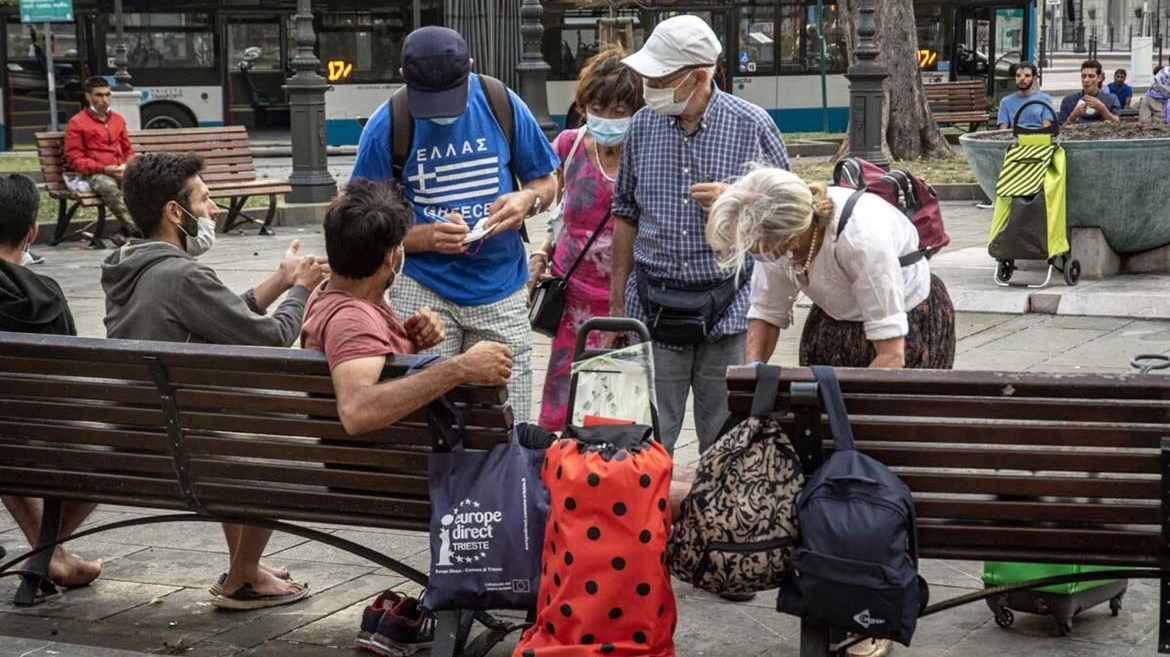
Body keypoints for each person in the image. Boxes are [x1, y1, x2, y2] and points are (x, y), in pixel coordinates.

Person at [101, 152, 327, 610]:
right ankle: (243, 576)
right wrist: (303, 288)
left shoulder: (129, 265)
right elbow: (270, 339)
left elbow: (224, 315)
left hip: (139, 438)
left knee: (226, 427)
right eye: (205, 200)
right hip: (184, 450)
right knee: (280, 444)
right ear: (173, 211)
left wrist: (282, 280)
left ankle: (246, 563)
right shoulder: (183, 275)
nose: (214, 210)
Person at [351, 26, 558, 424]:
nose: (443, 113)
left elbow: (548, 181)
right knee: (428, 423)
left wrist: (527, 200)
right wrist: (424, 237)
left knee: (506, 423)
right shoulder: (387, 124)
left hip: (500, 288)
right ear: (403, 77)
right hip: (423, 292)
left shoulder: (502, 103)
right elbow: (360, 229)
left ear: (471, 71)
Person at [612, 15, 790, 455]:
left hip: (727, 310)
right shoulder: (642, 125)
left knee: (725, 441)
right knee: (644, 441)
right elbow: (625, 215)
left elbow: (790, 216)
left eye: (659, 77)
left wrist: (739, 198)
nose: (649, 85)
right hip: (652, 308)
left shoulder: (753, 125)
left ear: (697, 76)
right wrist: (617, 305)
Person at [301, 178, 514, 435]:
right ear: (391, 256)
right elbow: (356, 410)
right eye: (401, 245)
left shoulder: (328, 294)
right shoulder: (351, 320)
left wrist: (407, 341)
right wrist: (460, 368)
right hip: (396, 465)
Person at [708, 167, 956, 373]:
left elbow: (892, 355)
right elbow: (766, 310)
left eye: (755, 247)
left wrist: (850, 413)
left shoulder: (861, 239)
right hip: (834, 320)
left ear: (791, 239)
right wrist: (753, 373)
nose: (754, 253)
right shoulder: (778, 239)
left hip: (906, 317)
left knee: (887, 422)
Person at [527, 47, 644, 432]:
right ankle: (561, 476)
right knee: (563, 403)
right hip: (572, 300)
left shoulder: (646, 153)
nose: (606, 119)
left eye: (619, 111)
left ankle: (605, 480)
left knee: (613, 411)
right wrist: (542, 254)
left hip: (625, 301)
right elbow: (560, 213)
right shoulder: (569, 145)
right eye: (597, 107)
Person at [0, 174, 101, 589]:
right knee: (122, 451)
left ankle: (48, 554)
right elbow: (70, 380)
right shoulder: (48, 295)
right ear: (32, 232)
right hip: (40, 439)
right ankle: (49, 553)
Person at [64, 76, 139, 240]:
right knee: (108, 187)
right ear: (88, 96)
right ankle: (139, 232)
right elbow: (75, 159)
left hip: (120, 170)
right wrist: (104, 169)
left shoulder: (118, 119)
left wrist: (126, 165)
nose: (105, 100)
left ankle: (123, 232)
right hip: (95, 173)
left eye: (108, 94)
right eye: (99, 95)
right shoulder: (77, 123)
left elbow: (128, 150)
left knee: (147, 184)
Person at [1057, 60, 1121, 125]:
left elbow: (1117, 124)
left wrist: (1102, 109)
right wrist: (1073, 116)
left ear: (1099, 78)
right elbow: (1061, 129)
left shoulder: (1111, 99)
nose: (1086, 80)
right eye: (1083, 76)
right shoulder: (1069, 100)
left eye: (1091, 76)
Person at [996, 62, 1053, 129]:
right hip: (1015, 137)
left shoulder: (1045, 99)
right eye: (1018, 75)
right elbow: (1003, 131)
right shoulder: (1005, 102)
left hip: (1038, 137)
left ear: (1034, 78)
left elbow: (1046, 129)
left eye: (1027, 75)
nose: (1022, 78)